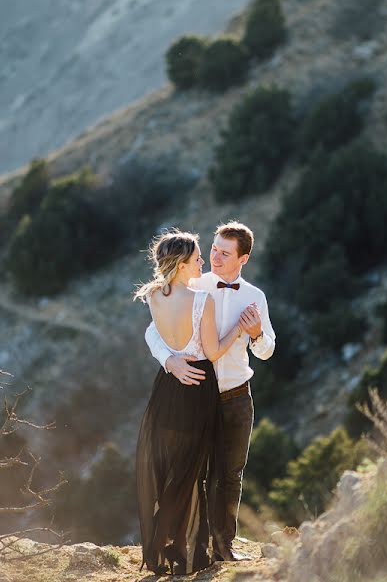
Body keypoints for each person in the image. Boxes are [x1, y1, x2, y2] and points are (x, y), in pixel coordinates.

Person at [145, 221, 276, 562]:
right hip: (198, 395)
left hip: (234, 395)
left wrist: (259, 332)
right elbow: (152, 330)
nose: (215, 257)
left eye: (224, 253)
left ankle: (224, 546)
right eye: (213, 250)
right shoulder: (192, 282)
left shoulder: (254, 297)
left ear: (243, 258)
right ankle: (191, 547)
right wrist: (168, 360)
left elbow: (267, 350)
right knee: (195, 475)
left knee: (230, 474)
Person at [134, 230, 247, 575]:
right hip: (198, 386)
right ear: (182, 265)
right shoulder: (202, 301)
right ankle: (179, 548)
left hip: (167, 388)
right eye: (197, 257)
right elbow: (212, 352)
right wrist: (239, 330)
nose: (202, 261)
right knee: (192, 472)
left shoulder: (154, 295)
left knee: (172, 470)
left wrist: (170, 360)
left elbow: (154, 333)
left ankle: (168, 545)